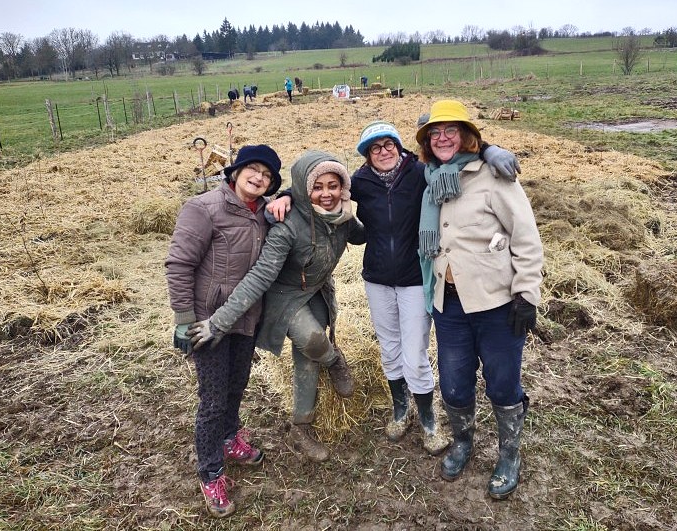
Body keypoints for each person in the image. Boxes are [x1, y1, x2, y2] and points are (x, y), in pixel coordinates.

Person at [266, 121, 521, 457]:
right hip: (377, 278)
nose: (383, 151)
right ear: (367, 155)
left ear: (399, 147)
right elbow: (319, 186)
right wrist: (285, 195)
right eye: (375, 147)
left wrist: (490, 150)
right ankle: (400, 410)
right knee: (389, 349)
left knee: (414, 354)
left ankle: (429, 421)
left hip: (415, 277)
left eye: (389, 144)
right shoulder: (361, 182)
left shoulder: (420, 173)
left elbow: (456, 157)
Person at [188, 151, 365, 464]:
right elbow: (260, 275)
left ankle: (301, 427)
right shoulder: (286, 226)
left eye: (333, 185)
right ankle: (335, 360)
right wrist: (218, 322)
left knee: (307, 357)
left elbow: (362, 236)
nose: (326, 194)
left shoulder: (341, 217)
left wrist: (361, 210)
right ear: (304, 189)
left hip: (315, 291)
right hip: (284, 296)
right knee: (314, 340)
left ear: (343, 187)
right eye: (317, 187)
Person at [415, 100, 543, 500]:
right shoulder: (430, 178)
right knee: (454, 386)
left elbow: (525, 237)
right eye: (435, 133)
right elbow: (378, 166)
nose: (442, 138)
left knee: (503, 385)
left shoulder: (493, 176)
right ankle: (463, 442)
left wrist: (527, 293)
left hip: (497, 304)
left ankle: (509, 454)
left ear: (467, 136)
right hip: (448, 304)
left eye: (450, 131)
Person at [165, 144, 283, 518]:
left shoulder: (266, 212)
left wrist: (289, 197)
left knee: (237, 385)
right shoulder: (204, 208)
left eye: (267, 174)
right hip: (208, 322)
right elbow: (179, 264)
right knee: (213, 400)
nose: (259, 177)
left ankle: (230, 439)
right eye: (253, 169)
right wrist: (184, 318)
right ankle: (211, 471)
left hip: (246, 318)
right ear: (236, 171)